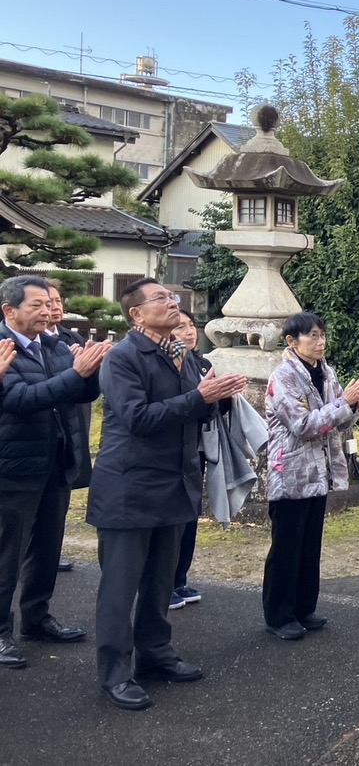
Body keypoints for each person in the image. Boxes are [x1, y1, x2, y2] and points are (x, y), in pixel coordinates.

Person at [87, 278, 246, 710]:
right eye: (161, 298)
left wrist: (220, 398)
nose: (173, 303)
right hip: (129, 487)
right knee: (120, 588)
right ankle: (115, 673)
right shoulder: (122, 358)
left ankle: (155, 653)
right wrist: (199, 397)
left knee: (161, 580)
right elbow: (137, 418)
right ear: (136, 314)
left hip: (176, 482)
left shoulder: (182, 355)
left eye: (173, 297)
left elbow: (196, 410)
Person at [0, 275, 109, 671]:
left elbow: (79, 394)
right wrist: (76, 373)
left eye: (49, 304)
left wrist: (90, 372)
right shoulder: (4, 348)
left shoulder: (55, 344)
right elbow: (20, 399)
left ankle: (36, 617)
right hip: (14, 466)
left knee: (46, 547)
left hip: (56, 461)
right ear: (9, 310)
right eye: (37, 305)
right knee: (7, 554)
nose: (48, 312)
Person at [262, 312, 359, 641]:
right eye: (312, 336)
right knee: (287, 547)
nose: (320, 342)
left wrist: (351, 405)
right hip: (291, 473)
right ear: (291, 341)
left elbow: (340, 420)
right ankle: (279, 616)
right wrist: (343, 403)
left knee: (310, 545)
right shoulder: (283, 377)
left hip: (319, 473)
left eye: (322, 335)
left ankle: (303, 609)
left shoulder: (326, 372)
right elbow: (304, 425)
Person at [46, 279, 90, 572]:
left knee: (59, 499)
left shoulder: (71, 337)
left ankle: (51, 552)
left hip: (71, 420)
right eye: (45, 303)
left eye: (57, 301)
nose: (53, 308)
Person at [168, 309, 211, 611]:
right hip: (173, 450)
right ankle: (166, 583)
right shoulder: (170, 363)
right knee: (172, 519)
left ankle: (180, 578)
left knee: (190, 516)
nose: (189, 331)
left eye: (192, 325)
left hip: (196, 449)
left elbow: (206, 410)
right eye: (181, 327)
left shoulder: (201, 363)